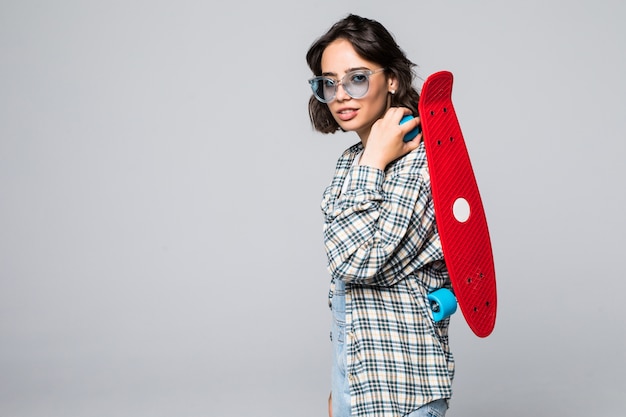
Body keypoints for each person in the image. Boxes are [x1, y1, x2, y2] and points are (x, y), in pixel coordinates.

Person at [305, 14, 455, 417]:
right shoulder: (349, 162)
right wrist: (340, 386)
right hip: (358, 381)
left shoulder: (424, 163)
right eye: (329, 82)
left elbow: (356, 262)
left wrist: (373, 160)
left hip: (403, 393)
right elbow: (346, 286)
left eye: (356, 77)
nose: (340, 95)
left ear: (391, 79)